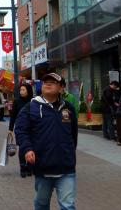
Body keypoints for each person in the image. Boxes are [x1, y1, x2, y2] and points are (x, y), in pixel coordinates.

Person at [15, 73, 78, 210]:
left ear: (61, 88)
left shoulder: (68, 108)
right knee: (42, 204)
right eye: (45, 82)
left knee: (68, 206)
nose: (48, 84)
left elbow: (73, 135)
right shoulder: (31, 107)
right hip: (43, 166)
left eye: (53, 82)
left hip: (66, 167)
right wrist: (27, 149)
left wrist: (70, 153)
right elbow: (21, 130)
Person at [9, 83, 33, 178]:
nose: (21, 92)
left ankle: (30, 166)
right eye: (20, 90)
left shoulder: (34, 101)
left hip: (32, 128)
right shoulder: (17, 101)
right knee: (23, 148)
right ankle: (23, 167)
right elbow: (13, 116)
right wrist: (10, 129)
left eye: (23, 90)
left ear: (28, 90)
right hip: (21, 129)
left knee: (31, 147)